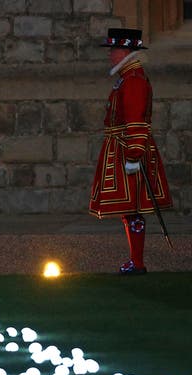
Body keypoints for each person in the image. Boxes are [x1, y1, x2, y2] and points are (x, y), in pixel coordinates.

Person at [88, 28, 173, 275]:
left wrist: (134, 154)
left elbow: (136, 120)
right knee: (130, 209)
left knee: (132, 208)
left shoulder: (134, 80)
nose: (110, 55)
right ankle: (135, 261)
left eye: (114, 50)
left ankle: (137, 262)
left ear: (126, 52)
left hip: (128, 151)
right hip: (122, 148)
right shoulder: (127, 77)